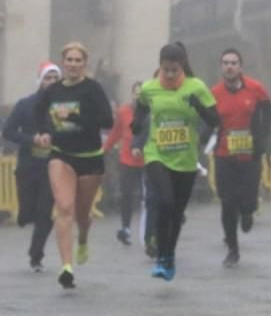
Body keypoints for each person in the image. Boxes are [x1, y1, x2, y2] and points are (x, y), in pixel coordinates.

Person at [131, 43, 218, 281]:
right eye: (165, 69)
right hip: (156, 153)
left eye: (174, 70)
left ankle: (169, 256)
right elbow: (139, 112)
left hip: (186, 158)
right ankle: (160, 256)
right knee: (164, 201)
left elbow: (215, 119)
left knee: (177, 211)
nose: (169, 75)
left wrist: (198, 106)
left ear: (183, 66)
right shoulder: (149, 88)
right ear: (160, 66)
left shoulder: (197, 87)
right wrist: (136, 124)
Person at [35, 43, 114, 289]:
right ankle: (66, 267)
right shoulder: (52, 91)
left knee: (82, 213)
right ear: (63, 62)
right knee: (64, 207)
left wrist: (75, 117)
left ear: (84, 63)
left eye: (78, 60)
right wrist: (44, 132)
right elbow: (39, 113)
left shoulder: (92, 89)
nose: (72, 64)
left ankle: (83, 239)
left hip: (90, 157)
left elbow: (107, 121)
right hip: (61, 154)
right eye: (68, 59)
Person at [210, 48, 271, 267]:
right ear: (221, 67)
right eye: (225, 63)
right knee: (227, 202)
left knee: (247, 201)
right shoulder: (215, 93)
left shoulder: (256, 89)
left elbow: (269, 113)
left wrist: (262, 140)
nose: (229, 66)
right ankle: (232, 248)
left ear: (240, 67)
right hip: (224, 154)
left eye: (233, 63)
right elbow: (207, 121)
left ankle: (248, 213)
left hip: (250, 155)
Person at [2, 62, 61, 271]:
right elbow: (8, 131)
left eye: (55, 78)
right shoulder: (25, 104)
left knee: (44, 212)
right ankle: (26, 215)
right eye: (48, 78)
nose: (51, 82)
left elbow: (75, 131)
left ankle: (36, 255)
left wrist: (55, 138)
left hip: (53, 166)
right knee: (27, 212)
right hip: (28, 166)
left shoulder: (64, 107)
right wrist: (32, 139)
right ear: (40, 80)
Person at [103, 81, 146, 247]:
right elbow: (115, 133)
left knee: (147, 197)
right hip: (127, 160)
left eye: (142, 93)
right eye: (136, 93)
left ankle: (149, 230)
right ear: (132, 94)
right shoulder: (123, 112)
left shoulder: (152, 111)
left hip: (147, 160)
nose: (138, 96)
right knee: (126, 195)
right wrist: (104, 150)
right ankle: (125, 228)